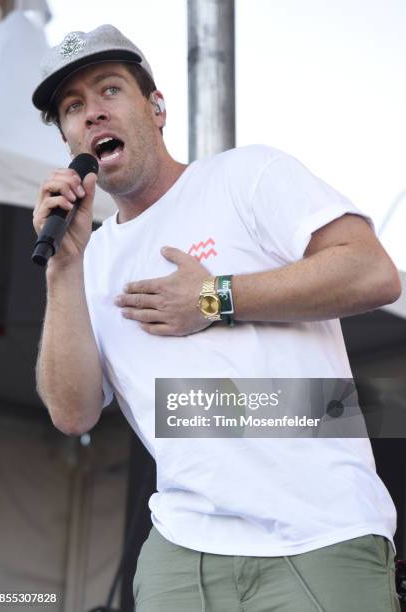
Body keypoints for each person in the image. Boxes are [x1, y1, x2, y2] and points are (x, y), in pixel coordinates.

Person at [32, 24, 402, 612]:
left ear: (156, 108)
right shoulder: (90, 259)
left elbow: (372, 272)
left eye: (109, 91)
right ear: (69, 139)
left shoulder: (244, 176)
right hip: (181, 553)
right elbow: (73, 411)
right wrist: (63, 271)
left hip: (318, 532)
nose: (92, 115)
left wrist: (212, 300)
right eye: (73, 108)